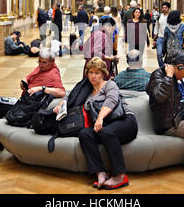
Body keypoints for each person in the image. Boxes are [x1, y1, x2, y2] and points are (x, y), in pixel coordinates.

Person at [53, 57, 137, 189]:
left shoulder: (110, 85)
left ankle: (120, 176)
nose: (93, 76)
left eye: (97, 73)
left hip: (125, 122)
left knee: (107, 131)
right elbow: (71, 95)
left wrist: (100, 118)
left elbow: (112, 100)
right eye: (90, 72)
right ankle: (100, 173)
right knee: (85, 134)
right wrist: (62, 103)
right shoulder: (86, 89)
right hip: (104, 127)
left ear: (103, 73)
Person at [0, 48, 66, 151]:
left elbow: (62, 92)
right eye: (39, 61)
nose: (41, 65)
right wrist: (24, 81)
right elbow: (29, 76)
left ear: (52, 62)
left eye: (44, 62)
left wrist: (42, 88)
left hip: (28, 110)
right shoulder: (41, 68)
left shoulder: (53, 74)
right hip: (24, 102)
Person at [152, 1, 171, 68]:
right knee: (159, 54)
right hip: (160, 38)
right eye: (163, 8)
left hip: (169, 39)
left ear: (168, 8)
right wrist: (154, 39)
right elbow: (156, 27)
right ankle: (162, 68)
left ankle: (166, 67)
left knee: (169, 55)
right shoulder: (159, 16)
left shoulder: (171, 17)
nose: (164, 9)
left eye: (165, 8)